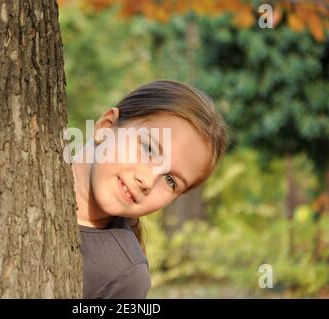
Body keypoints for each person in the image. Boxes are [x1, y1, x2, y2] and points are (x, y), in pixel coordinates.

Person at [71, 79, 228, 298]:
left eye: (171, 180)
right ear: (106, 127)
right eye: (148, 148)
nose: (148, 180)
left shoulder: (122, 274)